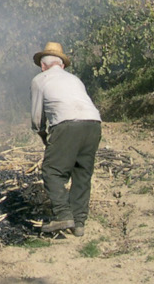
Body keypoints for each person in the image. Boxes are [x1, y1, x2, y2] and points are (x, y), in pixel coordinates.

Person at [30, 41, 101, 237]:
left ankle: (63, 214)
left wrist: (44, 135)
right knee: (82, 173)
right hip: (94, 123)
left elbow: (37, 118)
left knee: (52, 170)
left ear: (43, 66)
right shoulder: (75, 79)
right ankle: (79, 223)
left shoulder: (40, 79)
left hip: (67, 124)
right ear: (61, 65)